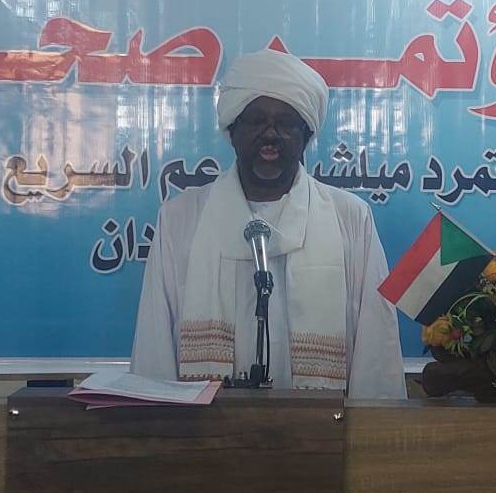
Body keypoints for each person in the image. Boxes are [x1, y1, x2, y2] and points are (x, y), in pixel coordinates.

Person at [130, 48, 406, 399]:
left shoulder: (350, 217)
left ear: (306, 135)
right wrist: (157, 427)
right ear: (233, 130)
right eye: (256, 120)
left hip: (322, 431)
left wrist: (369, 430)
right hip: (205, 431)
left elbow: (375, 347)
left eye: (286, 123)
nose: (270, 134)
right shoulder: (180, 218)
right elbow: (155, 341)